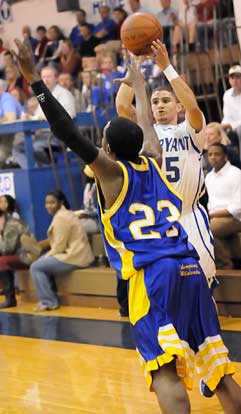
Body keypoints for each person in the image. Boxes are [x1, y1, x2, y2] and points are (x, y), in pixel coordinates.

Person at [13, 38, 241, 414]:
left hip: (153, 277)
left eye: (103, 141)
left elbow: (67, 132)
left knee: (163, 371)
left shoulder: (111, 174)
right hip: (190, 270)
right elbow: (147, 125)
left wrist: (35, 82)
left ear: (110, 150)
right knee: (220, 373)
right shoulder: (153, 158)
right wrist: (137, 83)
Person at [115, 41, 216, 287]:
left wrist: (167, 67)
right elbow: (121, 107)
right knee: (169, 293)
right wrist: (133, 71)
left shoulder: (189, 130)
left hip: (189, 217)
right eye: (155, 102)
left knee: (203, 289)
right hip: (159, 223)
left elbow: (192, 105)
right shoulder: (146, 135)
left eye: (165, 101)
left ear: (177, 106)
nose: (159, 105)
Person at [29, 190, 94, 312]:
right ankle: (50, 298)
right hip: (78, 255)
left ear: (61, 202)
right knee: (42, 264)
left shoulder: (61, 218)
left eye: (52, 202)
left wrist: (44, 257)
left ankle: (49, 302)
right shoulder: (66, 214)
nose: (48, 205)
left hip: (75, 257)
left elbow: (59, 247)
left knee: (36, 266)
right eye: (47, 203)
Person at [205, 143, 241, 269]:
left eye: (217, 154)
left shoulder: (236, 173)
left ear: (225, 156)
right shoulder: (209, 177)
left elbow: (238, 206)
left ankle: (225, 265)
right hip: (215, 217)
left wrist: (213, 215)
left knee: (209, 229)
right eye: (210, 154)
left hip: (235, 217)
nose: (213, 157)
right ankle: (234, 261)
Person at [221, 65, 241, 160]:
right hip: (232, 126)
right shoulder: (227, 94)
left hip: (238, 127)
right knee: (214, 131)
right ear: (229, 80)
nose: (235, 80)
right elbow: (226, 116)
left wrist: (230, 125)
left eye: (238, 77)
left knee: (239, 130)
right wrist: (222, 126)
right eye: (232, 77)